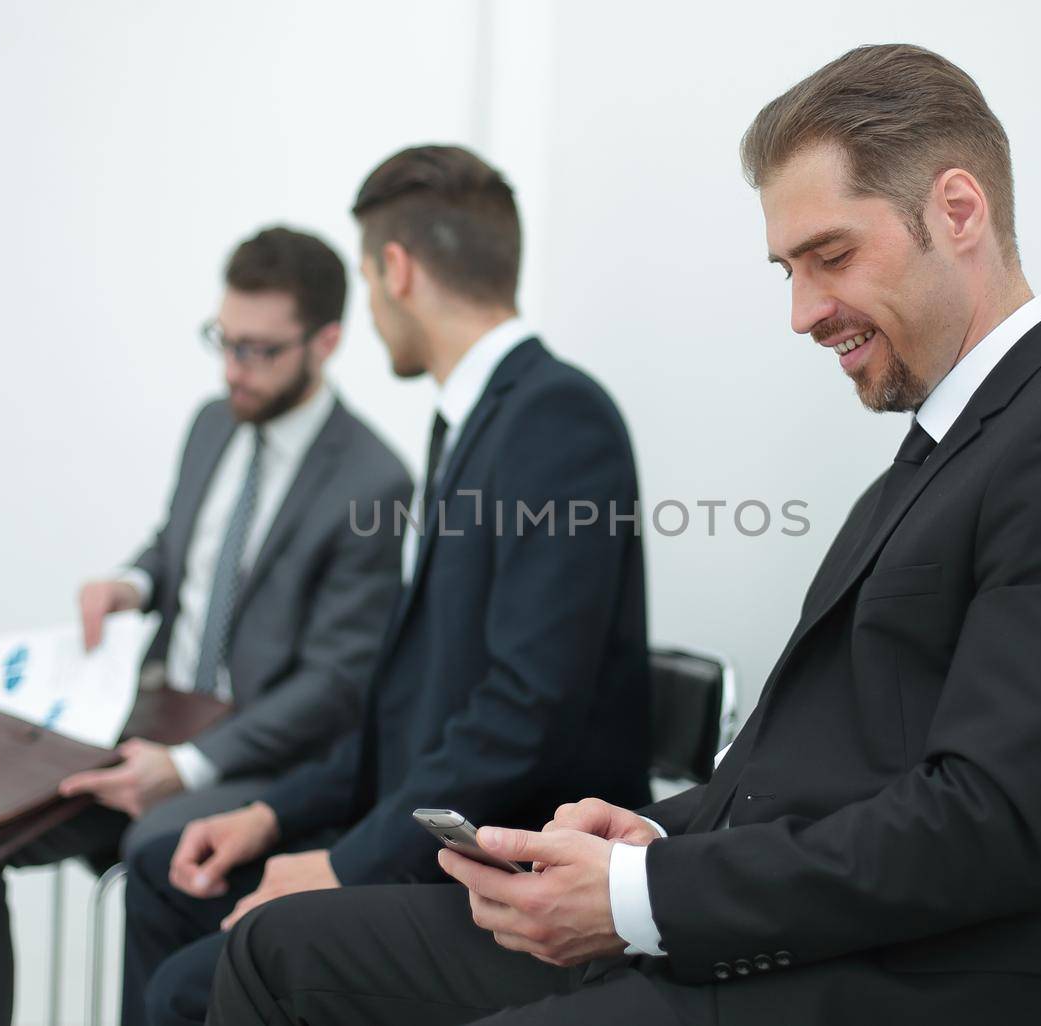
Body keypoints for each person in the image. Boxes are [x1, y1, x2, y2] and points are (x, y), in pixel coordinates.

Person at [203, 44, 1041, 1026]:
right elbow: (828, 768)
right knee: (277, 952)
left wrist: (645, 891)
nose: (801, 311)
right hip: (807, 937)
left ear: (957, 210)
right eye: (786, 267)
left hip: (932, 987)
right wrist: (652, 834)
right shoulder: (949, 450)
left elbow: (989, 825)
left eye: (828, 256)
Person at [123, 145, 653, 1026]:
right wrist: (268, 813)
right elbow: (405, 706)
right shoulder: (474, 424)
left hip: (502, 871)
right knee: (161, 868)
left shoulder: (557, 418)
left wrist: (342, 865)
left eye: (368, 284)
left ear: (396, 271)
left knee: (194, 986)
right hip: (428, 823)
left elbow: (524, 711)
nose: (370, 311)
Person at [0, 226, 411, 1026]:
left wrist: (188, 766)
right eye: (223, 341)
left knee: (158, 851)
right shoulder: (212, 422)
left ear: (326, 342)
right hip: (147, 721)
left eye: (259, 350)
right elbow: (180, 545)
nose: (233, 369)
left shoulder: (374, 480)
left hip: (255, 757)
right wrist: (134, 581)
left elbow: (337, 685)